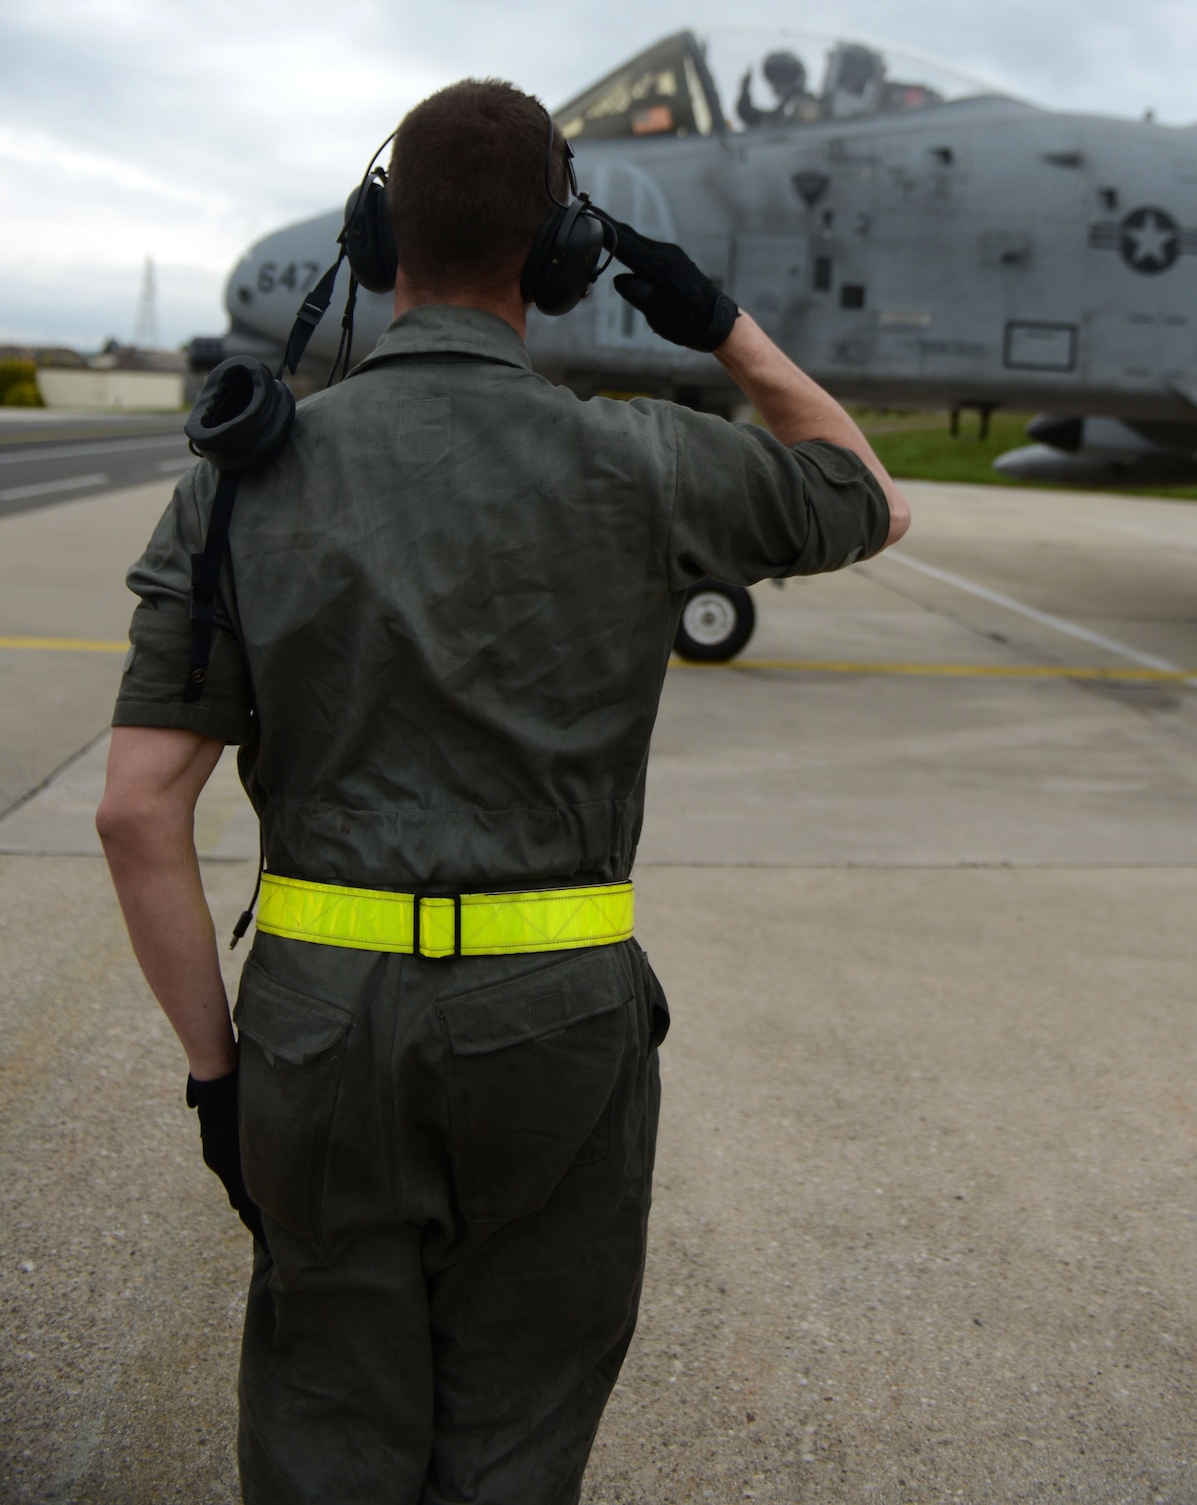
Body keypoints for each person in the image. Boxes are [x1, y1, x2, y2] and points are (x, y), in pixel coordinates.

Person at [95, 77, 910, 1505]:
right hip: (558, 1032)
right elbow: (869, 496)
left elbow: (135, 810)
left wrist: (217, 1078)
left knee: (324, 1414)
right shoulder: (640, 459)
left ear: (372, 241)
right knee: (519, 1426)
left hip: (314, 1030)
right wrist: (715, 321)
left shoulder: (234, 484)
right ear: (559, 257)